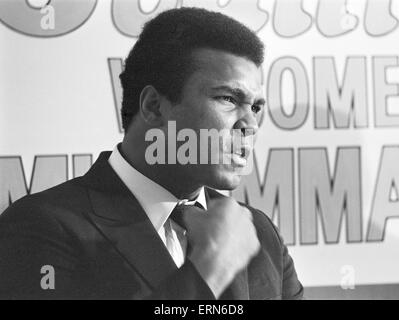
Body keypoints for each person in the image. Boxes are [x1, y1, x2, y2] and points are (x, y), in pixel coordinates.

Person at [0, 7, 303, 300]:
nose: (250, 124)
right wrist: (209, 269)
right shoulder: (40, 227)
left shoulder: (259, 232)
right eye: (227, 98)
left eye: (256, 107)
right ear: (154, 106)